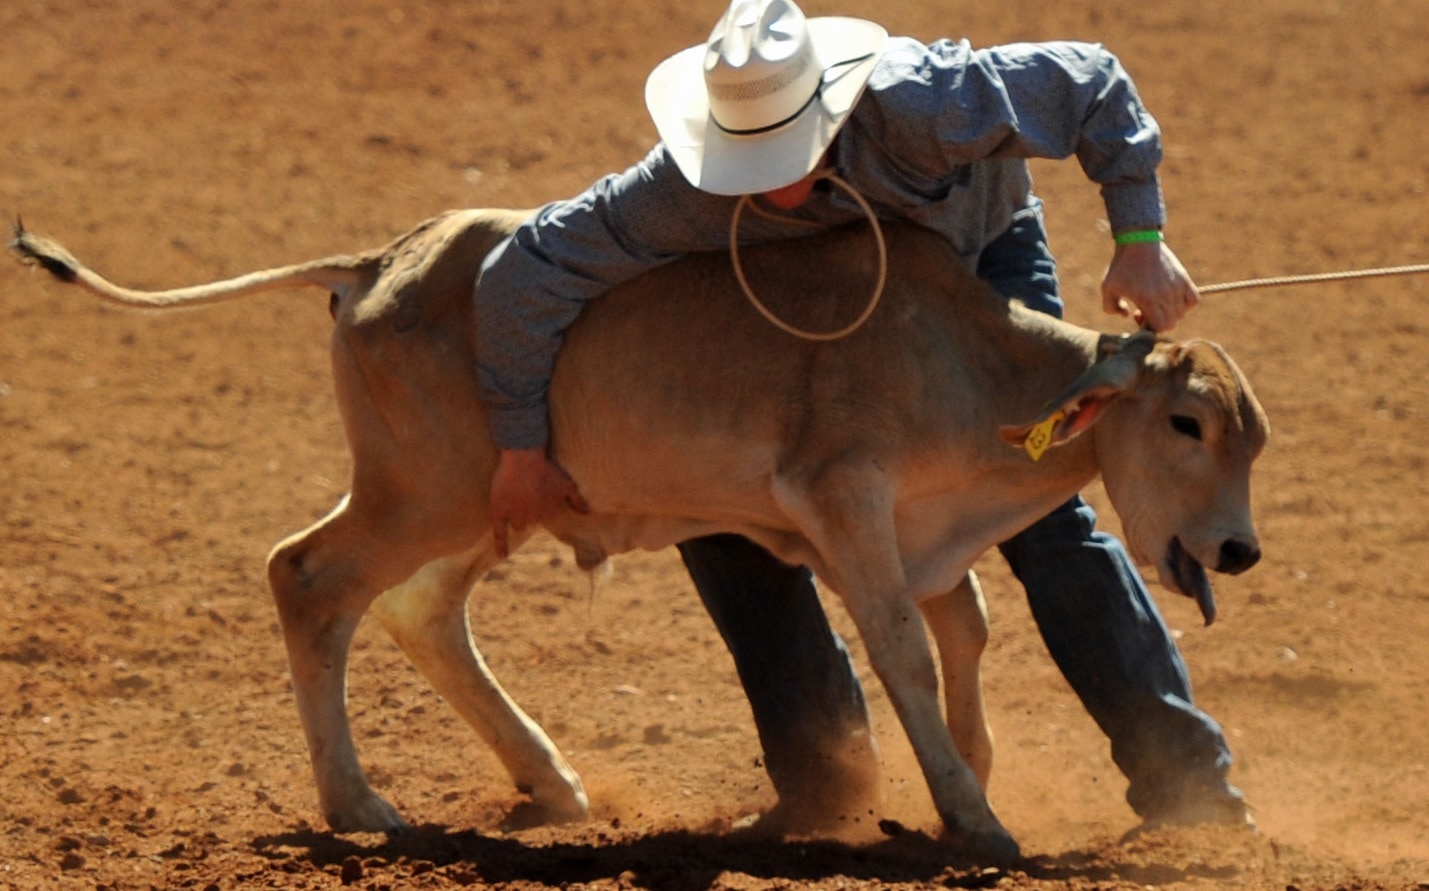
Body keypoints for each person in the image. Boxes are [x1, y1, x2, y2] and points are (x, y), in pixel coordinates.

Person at [472, 0, 1252, 833]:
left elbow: (1091, 81)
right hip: (822, 302)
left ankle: (1187, 785)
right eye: (747, 157)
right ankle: (825, 779)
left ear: (831, 109)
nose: (768, 178)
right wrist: (520, 447)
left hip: (974, 254)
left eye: (783, 149)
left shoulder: (924, 102)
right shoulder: (685, 187)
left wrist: (1139, 234)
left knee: (1047, 509)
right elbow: (527, 267)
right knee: (722, 503)